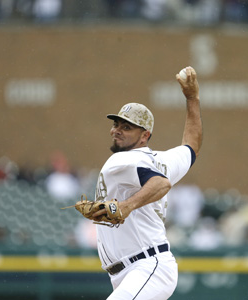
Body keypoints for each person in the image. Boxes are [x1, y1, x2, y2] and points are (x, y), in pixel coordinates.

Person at [86, 66, 202, 300]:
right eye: (116, 125)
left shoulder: (124, 159)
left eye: (126, 127)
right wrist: (192, 99)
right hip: (132, 271)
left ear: (145, 135)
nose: (117, 131)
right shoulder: (161, 160)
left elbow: (161, 184)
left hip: (146, 266)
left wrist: (126, 206)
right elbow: (192, 145)